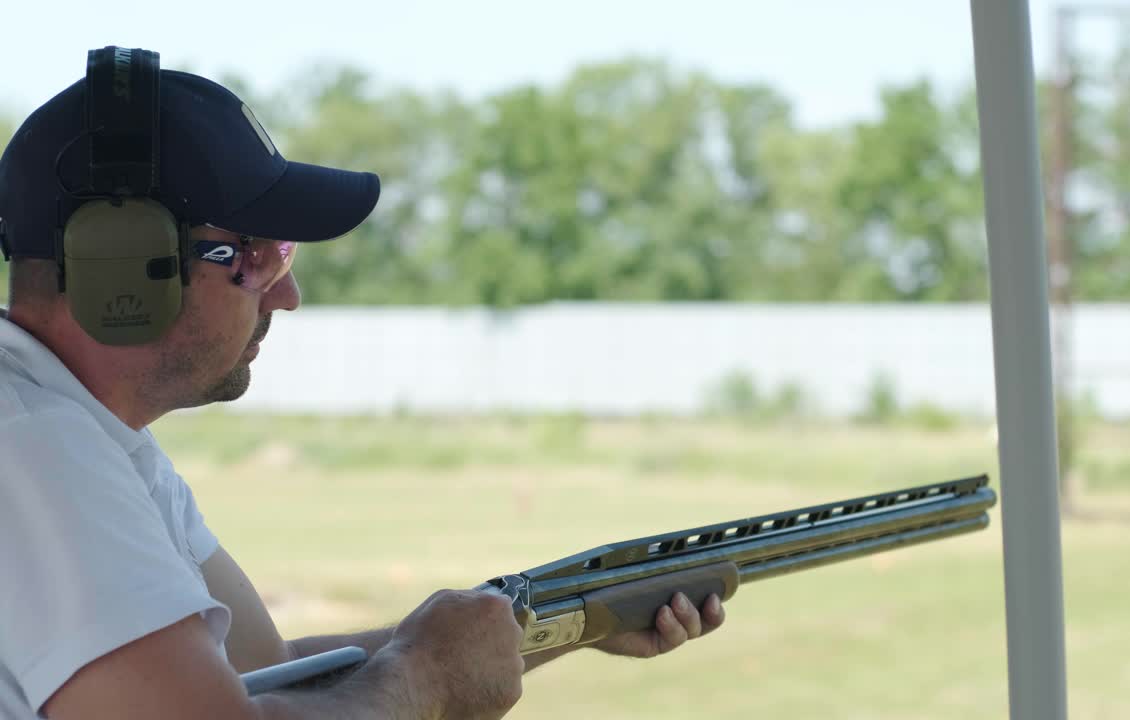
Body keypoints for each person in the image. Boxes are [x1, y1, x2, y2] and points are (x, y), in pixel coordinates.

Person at [0, 49, 725, 720]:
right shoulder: (32, 445)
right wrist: (428, 675)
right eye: (256, 257)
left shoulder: (91, 434)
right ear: (121, 267)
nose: (286, 297)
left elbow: (263, 671)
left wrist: (550, 623)